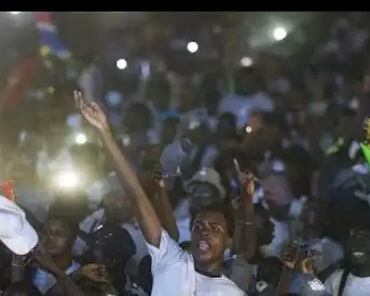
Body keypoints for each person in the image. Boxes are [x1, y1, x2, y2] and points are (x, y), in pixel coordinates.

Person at [74, 90, 245, 295]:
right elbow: (136, 194)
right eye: (198, 226)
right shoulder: (171, 259)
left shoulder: (232, 293)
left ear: (229, 242)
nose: (204, 232)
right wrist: (104, 131)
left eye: (215, 228)